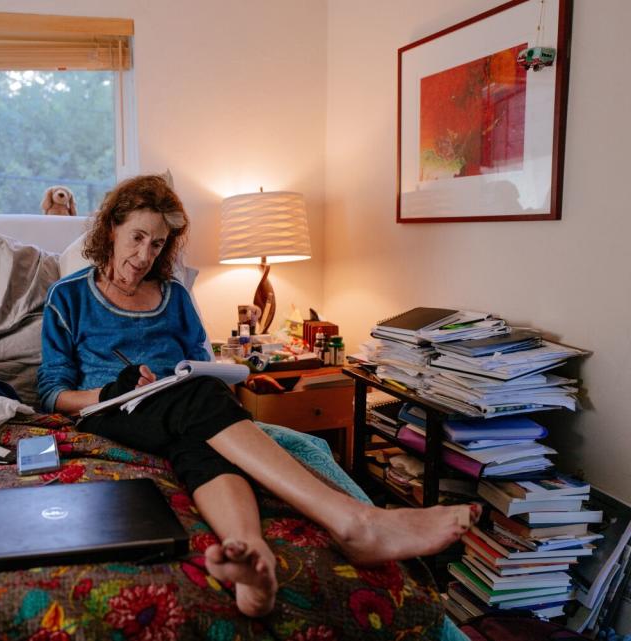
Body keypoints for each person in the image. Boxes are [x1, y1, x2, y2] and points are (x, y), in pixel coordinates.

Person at [38, 174, 479, 618]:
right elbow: (52, 393)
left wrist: (211, 375)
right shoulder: (68, 296)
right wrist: (114, 389)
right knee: (197, 402)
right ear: (111, 227)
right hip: (111, 409)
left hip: (181, 407)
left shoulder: (174, 296)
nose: (143, 255)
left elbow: (201, 360)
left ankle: (252, 557)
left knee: (199, 427)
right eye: (136, 237)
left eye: (157, 244)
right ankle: (353, 521)